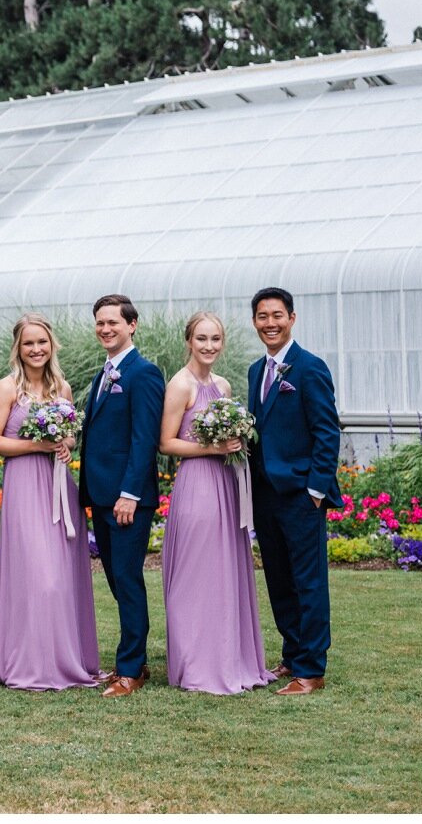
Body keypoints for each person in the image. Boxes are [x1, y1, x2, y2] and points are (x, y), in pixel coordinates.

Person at [158, 311, 275, 695]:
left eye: (215, 339)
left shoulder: (222, 385)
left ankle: (228, 657)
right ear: (189, 341)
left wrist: (236, 443)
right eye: (202, 339)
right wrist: (212, 446)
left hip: (225, 484)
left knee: (224, 571)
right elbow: (167, 443)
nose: (209, 346)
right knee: (196, 573)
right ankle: (197, 664)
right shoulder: (180, 385)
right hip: (197, 486)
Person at [0, 313, 98, 691]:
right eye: (28, 343)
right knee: (38, 576)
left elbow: (68, 438)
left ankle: (64, 658)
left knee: (62, 577)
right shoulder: (7, 389)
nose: (36, 349)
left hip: (58, 486)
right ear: (18, 348)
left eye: (42, 342)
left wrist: (65, 447)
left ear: (51, 346)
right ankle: (29, 661)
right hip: (23, 487)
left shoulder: (62, 389)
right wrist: (37, 444)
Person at [247, 287, 343, 696]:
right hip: (265, 494)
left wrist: (317, 489)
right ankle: (291, 655)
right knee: (280, 580)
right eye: (263, 316)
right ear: (255, 321)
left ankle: (312, 670)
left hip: (302, 494)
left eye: (277, 315)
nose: (270, 323)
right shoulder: (256, 371)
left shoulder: (309, 368)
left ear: (292, 318)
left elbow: (327, 430)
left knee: (308, 581)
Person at [78, 293, 165, 698]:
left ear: (132, 325)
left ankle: (130, 669)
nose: (105, 329)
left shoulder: (143, 373)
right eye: (100, 322)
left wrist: (130, 493)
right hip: (103, 495)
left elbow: (144, 438)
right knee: (116, 578)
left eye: (113, 322)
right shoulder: (105, 372)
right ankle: (135, 659)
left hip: (128, 499)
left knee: (127, 579)